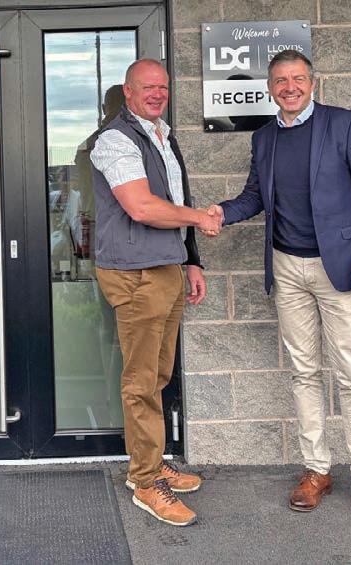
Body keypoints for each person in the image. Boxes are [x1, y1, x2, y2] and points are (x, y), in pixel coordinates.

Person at [205, 50, 351, 531]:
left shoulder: (344, 124)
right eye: (280, 80)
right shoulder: (264, 138)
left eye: (297, 79)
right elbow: (255, 196)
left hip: (340, 268)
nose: (289, 87)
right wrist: (221, 213)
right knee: (304, 372)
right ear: (270, 88)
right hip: (288, 267)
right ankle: (317, 470)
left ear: (312, 82)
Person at [90, 58, 221, 527]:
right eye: (147, 87)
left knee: (158, 375)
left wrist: (191, 260)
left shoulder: (163, 136)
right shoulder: (115, 140)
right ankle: (146, 481)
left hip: (165, 267)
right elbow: (143, 207)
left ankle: (150, 460)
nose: (157, 94)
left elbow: (176, 202)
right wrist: (200, 220)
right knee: (141, 381)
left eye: (162, 87)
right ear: (127, 91)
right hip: (136, 273)